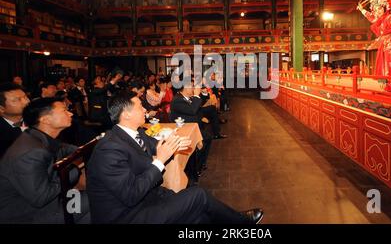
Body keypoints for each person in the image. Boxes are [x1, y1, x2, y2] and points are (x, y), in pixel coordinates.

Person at [86, 91, 263, 224]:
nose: (145, 109)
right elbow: (130, 195)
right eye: (140, 106)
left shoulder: (135, 133)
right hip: (126, 215)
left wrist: (175, 144)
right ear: (126, 114)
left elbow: (155, 145)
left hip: (147, 199)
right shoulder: (108, 149)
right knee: (198, 195)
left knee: (199, 215)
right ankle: (241, 222)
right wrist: (159, 160)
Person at [0, 98, 90, 223]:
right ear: (45, 119)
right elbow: (41, 198)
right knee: (96, 196)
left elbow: (64, 149)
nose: (71, 113)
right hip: (30, 213)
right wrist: (75, 169)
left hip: (45, 201)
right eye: (64, 111)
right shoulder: (31, 152)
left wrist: (90, 149)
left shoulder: (37, 136)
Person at [0, 83, 30, 158]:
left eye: (25, 97)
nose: (26, 102)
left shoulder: (37, 119)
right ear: (1, 108)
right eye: (17, 100)